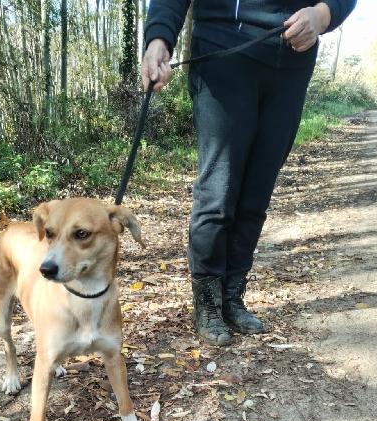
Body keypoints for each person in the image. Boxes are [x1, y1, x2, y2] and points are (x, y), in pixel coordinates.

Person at [142, 1, 357, 345]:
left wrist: (322, 15)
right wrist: (159, 37)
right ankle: (207, 303)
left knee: (256, 194)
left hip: (292, 64)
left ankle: (231, 298)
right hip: (223, 52)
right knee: (218, 192)